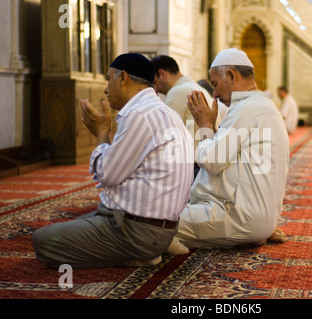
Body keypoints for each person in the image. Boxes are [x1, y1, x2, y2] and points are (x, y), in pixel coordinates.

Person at [32, 53, 194, 268]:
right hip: (157, 226)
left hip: (137, 232)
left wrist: (101, 133)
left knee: (43, 240)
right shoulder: (164, 112)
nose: (106, 89)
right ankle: (155, 246)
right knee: (78, 222)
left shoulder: (140, 115)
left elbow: (108, 175)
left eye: (109, 79)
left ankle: (138, 254)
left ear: (123, 78)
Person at [167, 48, 290, 252]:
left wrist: (205, 125)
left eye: (215, 84)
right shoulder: (266, 107)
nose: (214, 94)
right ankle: (247, 235)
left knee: (151, 224)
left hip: (236, 216)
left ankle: (245, 234)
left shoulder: (246, 109)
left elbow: (213, 163)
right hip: (260, 218)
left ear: (232, 76)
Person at [151, 55, 225, 177]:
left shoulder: (177, 92)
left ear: (162, 74)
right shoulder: (195, 87)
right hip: (203, 162)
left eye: (155, 83)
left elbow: (162, 136)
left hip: (193, 166)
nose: (156, 90)